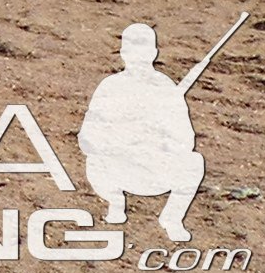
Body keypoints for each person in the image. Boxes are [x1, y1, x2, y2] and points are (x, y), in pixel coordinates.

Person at [81, 23, 207, 243]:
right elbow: (87, 137)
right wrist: (118, 140)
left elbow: (186, 141)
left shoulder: (166, 89)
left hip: (155, 171)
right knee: (94, 161)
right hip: (117, 169)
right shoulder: (109, 87)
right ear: (123, 54)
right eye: (132, 50)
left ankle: (172, 219)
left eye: (144, 50)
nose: (138, 57)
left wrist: (159, 138)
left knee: (194, 162)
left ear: (154, 53)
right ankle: (115, 202)